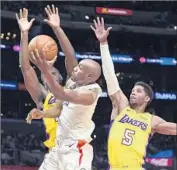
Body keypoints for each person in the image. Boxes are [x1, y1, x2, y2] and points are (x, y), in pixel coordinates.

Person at [91, 17, 177, 170]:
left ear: (147, 98)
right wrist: (103, 44)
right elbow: (110, 76)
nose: (133, 93)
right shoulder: (122, 107)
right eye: (132, 91)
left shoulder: (151, 120)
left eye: (138, 91)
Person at [27, 5, 102, 170]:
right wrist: (57, 28)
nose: (75, 68)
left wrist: (46, 71)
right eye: (77, 66)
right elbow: (70, 55)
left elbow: (59, 92)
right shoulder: (73, 83)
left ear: (89, 77)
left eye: (80, 68)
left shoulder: (91, 92)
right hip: (58, 149)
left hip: (76, 149)